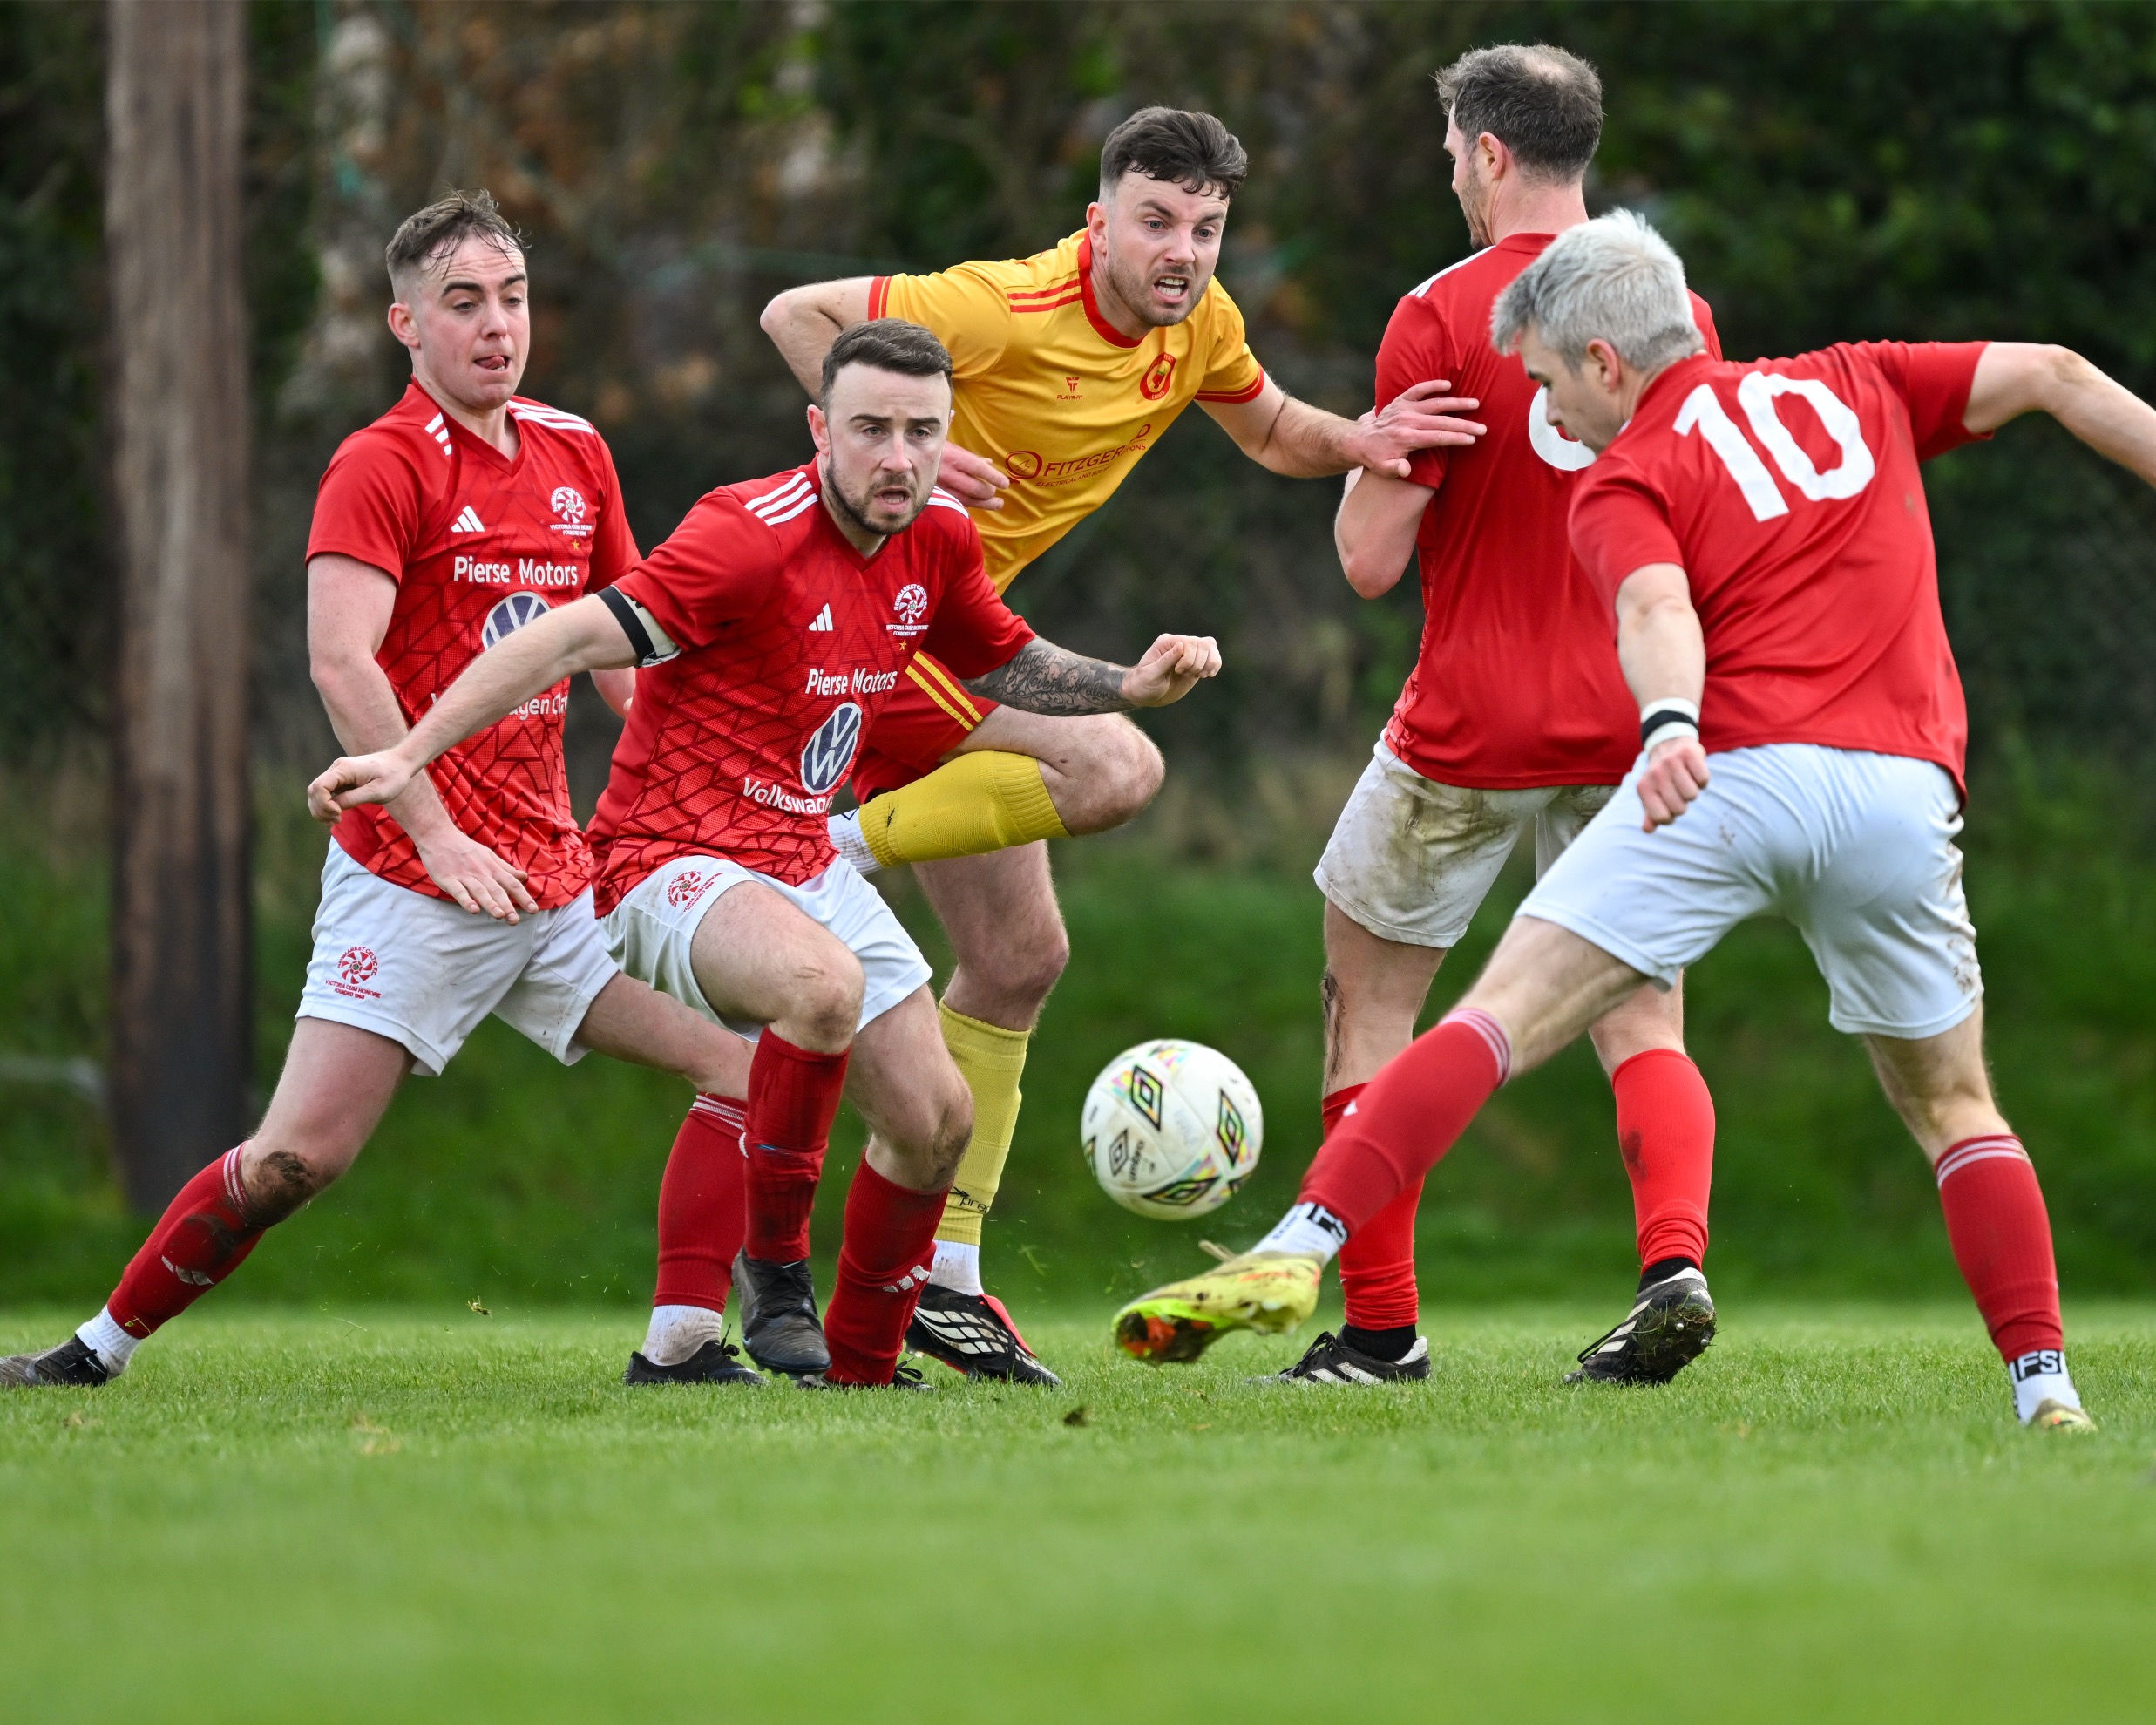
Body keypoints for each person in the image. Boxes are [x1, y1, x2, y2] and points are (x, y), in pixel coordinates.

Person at [1115, 208, 2156, 1434]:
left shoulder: (1626, 473)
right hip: (1898, 794)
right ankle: (2046, 1388)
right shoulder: (1856, 378)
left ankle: (1297, 1243)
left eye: (1550, 381)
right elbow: (2053, 373)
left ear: (1604, 361)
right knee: (1953, 1105)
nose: (1548, 411)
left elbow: (1658, 607)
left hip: (1723, 776)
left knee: (1493, 1015)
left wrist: (1668, 723)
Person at [308, 319, 1223, 1389]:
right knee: (817, 987)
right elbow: (559, 637)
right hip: (663, 856)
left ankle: (864, 1370)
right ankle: (775, 1272)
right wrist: (407, 750)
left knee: (936, 1121)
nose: (897, 456)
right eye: (870, 428)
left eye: (921, 432)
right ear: (817, 430)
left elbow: (1006, 660)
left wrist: (1129, 685)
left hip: (795, 854)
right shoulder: (745, 534)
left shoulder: (936, 537)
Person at [758, 108, 1481, 1379]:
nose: (1182, 251)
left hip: (949, 643)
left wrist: (1361, 440)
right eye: (1155, 221)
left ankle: (946, 1269)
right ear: (1099, 220)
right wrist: (915, 449)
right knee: (1110, 765)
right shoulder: (997, 305)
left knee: (1020, 955)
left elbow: (1267, 427)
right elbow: (794, 316)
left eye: (1204, 228)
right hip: (870, 628)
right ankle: (828, 846)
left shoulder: (1197, 329)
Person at [1, 192, 763, 1394]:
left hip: (552, 878)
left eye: (512, 297)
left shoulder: (577, 449)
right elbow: (339, 660)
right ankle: (89, 1351)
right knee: (298, 1157)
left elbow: (622, 652)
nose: (496, 326)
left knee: (742, 1065)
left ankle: (682, 1345)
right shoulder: (379, 462)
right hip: (413, 877)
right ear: (402, 322)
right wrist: (436, 830)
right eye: (463, 302)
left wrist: (713, 780)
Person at [1282, 44, 1725, 1390]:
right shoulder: (1675, 307)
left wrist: (1372, 442)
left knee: (1371, 1007)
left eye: (1451, 158)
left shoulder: (1436, 311)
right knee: (1640, 1015)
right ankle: (1670, 1262)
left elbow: (1366, 560)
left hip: (1463, 728)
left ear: (1483, 152)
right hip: (1633, 720)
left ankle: (1376, 1329)